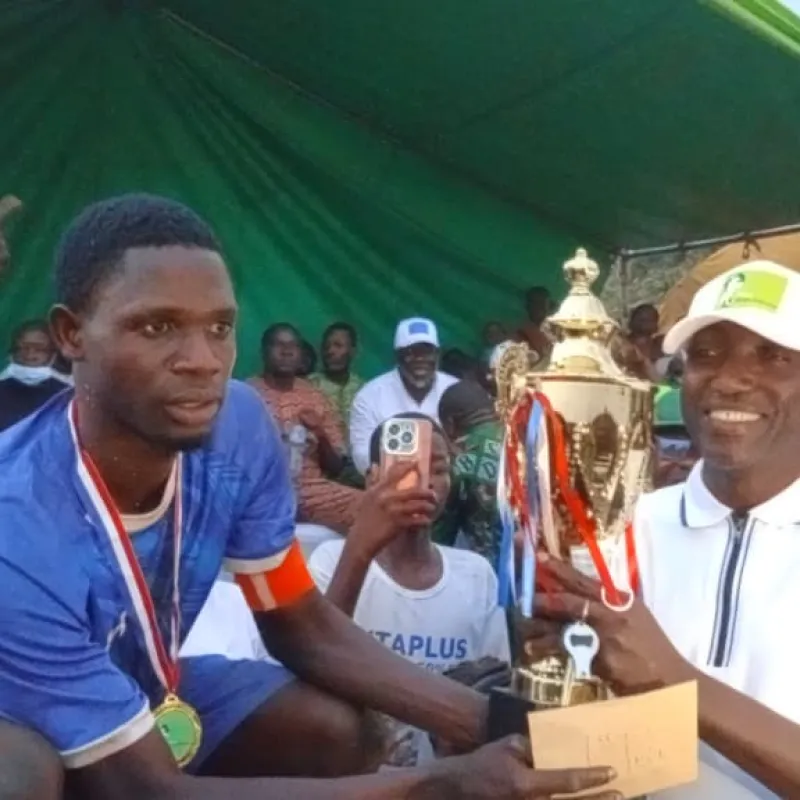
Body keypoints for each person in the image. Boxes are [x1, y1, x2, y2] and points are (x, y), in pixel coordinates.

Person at [0, 193, 622, 800]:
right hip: (21, 722)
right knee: (19, 776)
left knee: (339, 727)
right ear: (71, 334)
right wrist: (438, 785)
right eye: (157, 327)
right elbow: (141, 787)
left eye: (220, 328)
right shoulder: (16, 521)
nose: (202, 360)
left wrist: (500, 724)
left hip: (140, 686)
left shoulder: (238, 425)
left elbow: (297, 621)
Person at [528, 260, 800, 798]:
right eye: (706, 354)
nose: (730, 380)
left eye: (774, 356)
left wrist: (676, 680)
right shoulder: (615, 536)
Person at [310, 414, 510, 768]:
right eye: (407, 466)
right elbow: (314, 661)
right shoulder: (332, 561)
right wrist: (360, 547)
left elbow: (494, 682)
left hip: (447, 778)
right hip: (358, 778)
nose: (425, 481)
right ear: (373, 477)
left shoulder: (476, 574)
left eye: (439, 468)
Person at [248, 323, 362, 534]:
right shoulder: (244, 394)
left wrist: (320, 434)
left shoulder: (314, 396)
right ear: (264, 351)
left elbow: (336, 467)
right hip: (258, 489)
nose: (287, 351)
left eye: (293, 346)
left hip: (310, 490)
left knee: (372, 508)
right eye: (278, 345)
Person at [349, 318, 458, 474]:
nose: (420, 359)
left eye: (427, 351)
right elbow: (362, 456)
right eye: (411, 352)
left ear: (438, 354)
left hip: (448, 479)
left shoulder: (456, 389)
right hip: (391, 481)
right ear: (397, 356)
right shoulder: (369, 396)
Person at [435, 381, 503, 571]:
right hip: (543, 569)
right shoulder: (521, 437)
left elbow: (438, 539)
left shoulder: (457, 458)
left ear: (450, 424)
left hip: (490, 574)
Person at [0, 320, 69, 431]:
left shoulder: (65, 395)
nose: (30, 355)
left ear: (53, 355)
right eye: (23, 348)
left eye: (39, 349)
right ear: (12, 352)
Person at [309, 322, 364, 441]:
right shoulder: (309, 386)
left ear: (352, 351)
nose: (330, 351)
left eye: (338, 346)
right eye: (326, 346)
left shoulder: (363, 390)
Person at [515, 286, 554, 363]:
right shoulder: (520, 333)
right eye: (535, 303)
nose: (539, 307)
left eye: (542, 303)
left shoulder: (556, 330)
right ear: (527, 306)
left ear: (548, 306)